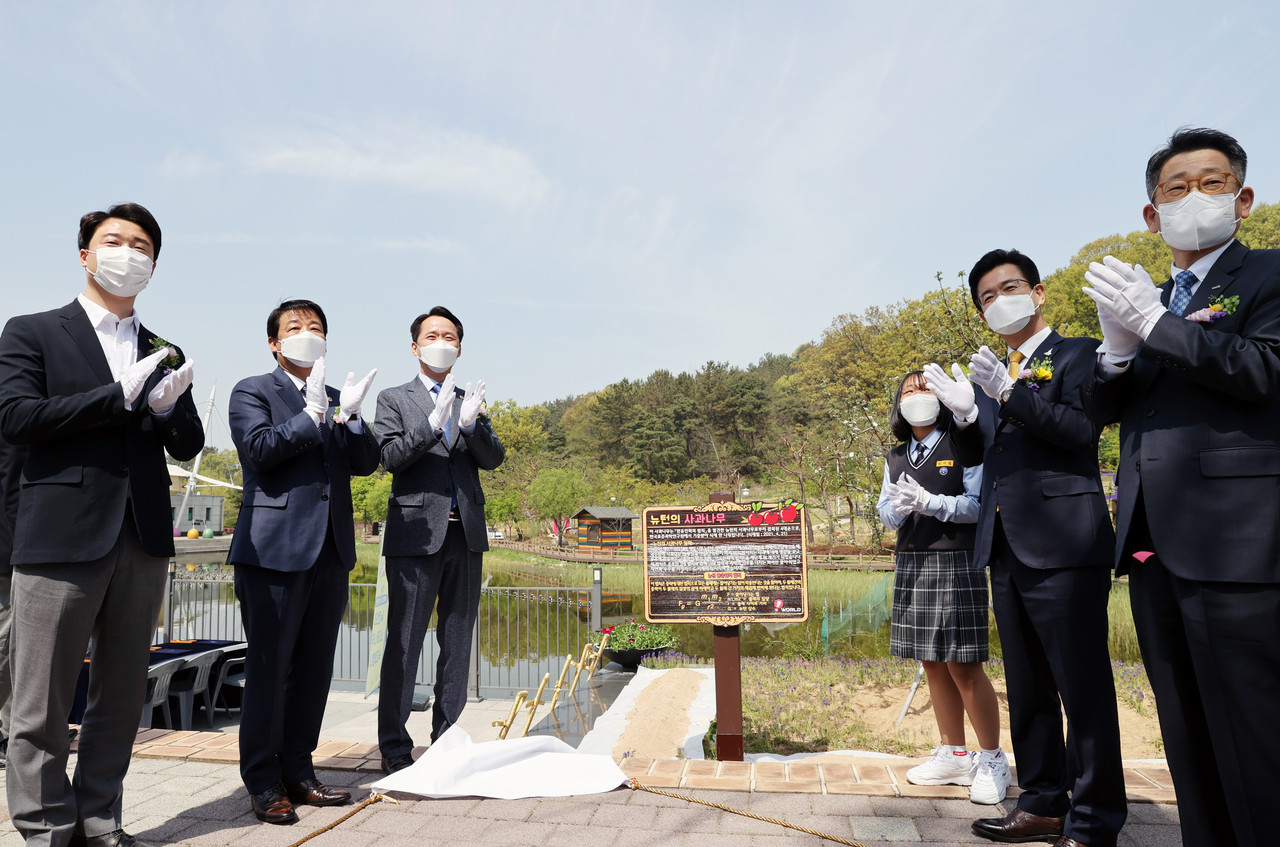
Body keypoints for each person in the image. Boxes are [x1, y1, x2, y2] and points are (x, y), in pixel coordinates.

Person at [1081, 128, 1280, 847]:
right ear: (1151, 213)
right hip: (1151, 547)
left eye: (1212, 182)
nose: (1194, 197)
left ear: (1243, 198)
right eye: (1176, 187)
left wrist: (1157, 324)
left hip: (1236, 544)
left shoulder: (1267, 278)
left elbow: (1262, 371)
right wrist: (1114, 353)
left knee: (1256, 741)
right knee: (1188, 737)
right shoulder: (1149, 296)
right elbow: (1105, 412)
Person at [0, 203, 204, 847]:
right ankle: (44, 827)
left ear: (153, 266)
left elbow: (189, 440)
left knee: (119, 697)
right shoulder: (32, 331)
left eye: (142, 246)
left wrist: (167, 408)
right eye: (114, 241)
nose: (128, 253)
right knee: (41, 704)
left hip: (142, 538)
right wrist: (114, 398)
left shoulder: (161, 348)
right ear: (85, 254)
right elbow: (17, 416)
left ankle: (99, 820)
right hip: (61, 537)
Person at [925, 249, 1124, 847]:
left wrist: (1010, 393)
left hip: (1064, 543)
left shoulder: (1079, 353)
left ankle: (1093, 821)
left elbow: (1078, 432)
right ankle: (1041, 802)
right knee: (1029, 686)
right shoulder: (992, 372)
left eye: (1008, 288)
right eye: (986, 297)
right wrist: (965, 416)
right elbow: (987, 455)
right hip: (1006, 546)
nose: (998, 302)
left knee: (1081, 687)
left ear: (1037, 294)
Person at [228, 299, 379, 825]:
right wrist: (312, 416)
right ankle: (263, 781)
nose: (305, 334)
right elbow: (261, 449)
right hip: (272, 550)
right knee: (269, 670)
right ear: (274, 342)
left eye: (315, 327)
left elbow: (365, 463)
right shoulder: (253, 390)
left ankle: (300, 769)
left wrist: (353, 418)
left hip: (330, 552)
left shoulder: (339, 398)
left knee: (314, 670)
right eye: (294, 327)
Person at [374, 306, 505, 774]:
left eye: (449, 335)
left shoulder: (473, 398)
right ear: (415, 346)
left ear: (460, 347)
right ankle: (393, 745)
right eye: (432, 335)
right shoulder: (394, 398)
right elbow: (388, 456)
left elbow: (492, 459)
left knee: (458, 642)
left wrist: (470, 425)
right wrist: (432, 423)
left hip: (465, 534)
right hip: (415, 534)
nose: (441, 341)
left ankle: (448, 740)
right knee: (404, 643)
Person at [876, 371, 1009, 805]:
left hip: (956, 559)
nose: (918, 397)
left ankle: (991, 758)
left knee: (963, 664)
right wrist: (893, 512)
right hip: (913, 560)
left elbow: (977, 506)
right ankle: (953, 752)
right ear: (899, 403)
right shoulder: (896, 455)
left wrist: (933, 504)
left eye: (926, 388)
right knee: (931, 661)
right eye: (909, 390)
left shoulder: (962, 444)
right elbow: (885, 506)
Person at [0, 434, 26, 770]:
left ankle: (11, 733)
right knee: (7, 646)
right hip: (11, 552)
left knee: (18, 648)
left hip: (20, 549)